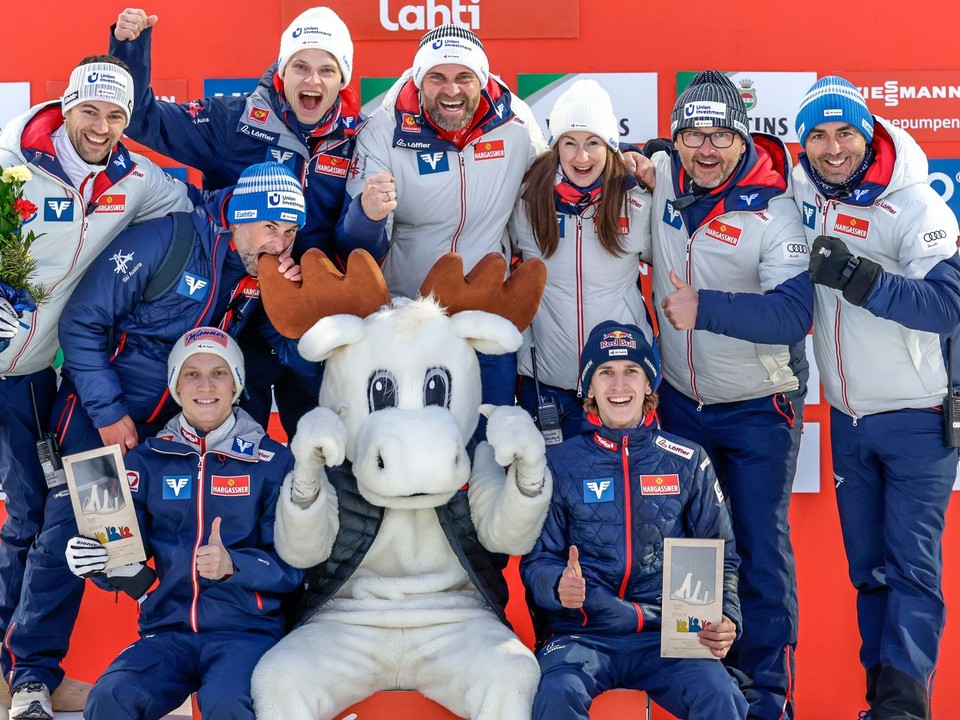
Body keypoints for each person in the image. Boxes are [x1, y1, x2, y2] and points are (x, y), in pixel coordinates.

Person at [0, 54, 193, 720]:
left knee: (30, 522)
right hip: (25, 361)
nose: (102, 127)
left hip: (31, 377)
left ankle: (18, 676)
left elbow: (198, 213)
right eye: (91, 111)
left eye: (116, 115)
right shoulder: (12, 166)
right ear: (66, 104)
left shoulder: (138, 181)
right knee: (40, 524)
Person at [108, 6, 384, 437]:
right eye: (301, 67)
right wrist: (130, 47)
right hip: (234, 310)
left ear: (343, 78)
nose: (312, 81)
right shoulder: (233, 121)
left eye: (327, 70)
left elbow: (362, 243)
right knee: (233, 445)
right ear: (281, 71)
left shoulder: (360, 137)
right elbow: (143, 120)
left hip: (309, 314)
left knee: (321, 441)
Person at [644, 70, 813, 720]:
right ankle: (703, 694)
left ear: (743, 139)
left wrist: (704, 308)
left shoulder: (777, 206)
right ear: (677, 139)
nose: (707, 149)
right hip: (682, 402)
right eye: (694, 135)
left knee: (757, 549)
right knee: (693, 547)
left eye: (721, 135)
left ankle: (767, 699)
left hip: (757, 408)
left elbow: (794, 313)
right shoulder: (659, 175)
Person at [792, 76, 960, 720]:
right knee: (870, 570)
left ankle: (903, 710)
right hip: (848, 419)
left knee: (912, 568)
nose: (832, 149)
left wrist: (863, 279)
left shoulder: (916, 206)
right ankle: (879, 700)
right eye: (818, 135)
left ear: (869, 136)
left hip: (916, 418)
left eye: (845, 134)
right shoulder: (805, 188)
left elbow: (947, 306)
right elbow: (742, 163)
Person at [64, 327, 302, 720]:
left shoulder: (273, 462)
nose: (205, 385)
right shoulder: (145, 460)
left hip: (245, 635)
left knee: (228, 706)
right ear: (175, 385)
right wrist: (93, 560)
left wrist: (234, 566)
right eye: (191, 373)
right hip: (166, 632)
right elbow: (122, 558)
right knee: (110, 697)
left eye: (219, 372)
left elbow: (295, 569)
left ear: (237, 383)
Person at [520, 321, 747, 720]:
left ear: (649, 385)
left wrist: (726, 617)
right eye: (605, 372)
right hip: (583, 633)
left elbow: (722, 556)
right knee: (557, 694)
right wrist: (558, 586)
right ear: (589, 389)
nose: (618, 384)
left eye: (631, 371)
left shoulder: (688, 460)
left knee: (721, 695)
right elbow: (536, 562)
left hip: (669, 637)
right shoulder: (559, 464)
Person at [339, 23, 547, 409]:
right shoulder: (385, 130)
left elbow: (558, 180)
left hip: (486, 317)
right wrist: (367, 215)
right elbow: (354, 247)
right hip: (407, 320)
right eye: (437, 77)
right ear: (419, 81)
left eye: (463, 77)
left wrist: (626, 168)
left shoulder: (516, 125)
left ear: (481, 80)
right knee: (411, 451)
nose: (451, 90)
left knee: (487, 447)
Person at [53, 161, 304, 455]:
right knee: (89, 502)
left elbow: (291, 356)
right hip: (98, 418)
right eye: (270, 227)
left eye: (290, 231)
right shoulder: (167, 239)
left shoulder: (263, 274)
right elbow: (81, 321)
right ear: (238, 219)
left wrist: (292, 303)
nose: (280, 245)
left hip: (174, 430)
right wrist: (108, 413)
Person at [510, 79, 653, 440]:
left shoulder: (637, 199)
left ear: (610, 145)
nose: (581, 157)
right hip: (545, 384)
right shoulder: (526, 198)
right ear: (555, 146)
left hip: (616, 387)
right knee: (546, 494)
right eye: (569, 144)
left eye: (593, 143)